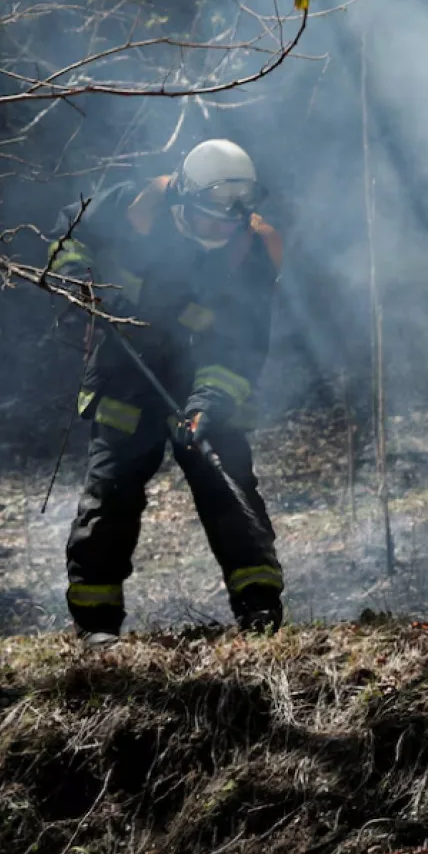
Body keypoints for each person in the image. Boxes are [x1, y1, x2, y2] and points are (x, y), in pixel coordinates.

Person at [47, 138, 286, 645]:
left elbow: (240, 346)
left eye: (231, 221)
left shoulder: (253, 251)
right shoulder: (135, 205)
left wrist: (208, 406)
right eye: (210, 218)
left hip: (201, 377)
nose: (222, 230)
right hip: (124, 370)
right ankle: (96, 626)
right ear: (182, 200)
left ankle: (260, 612)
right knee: (110, 495)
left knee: (228, 486)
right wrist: (74, 285)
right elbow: (68, 233)